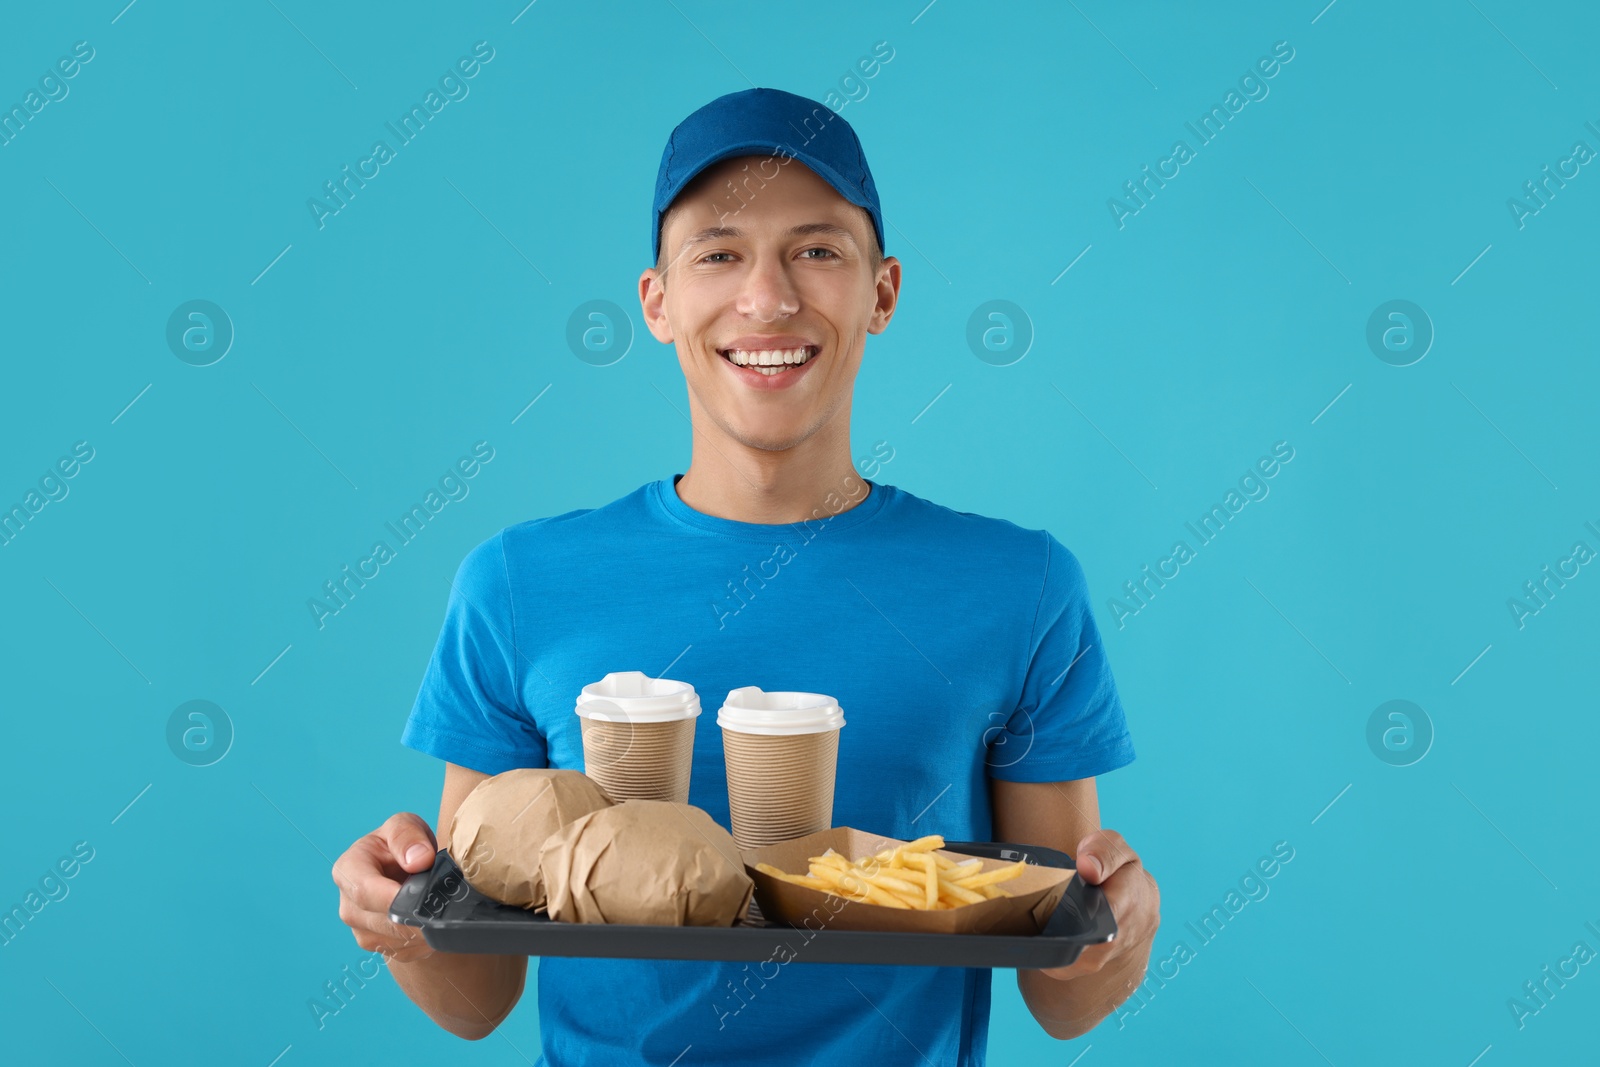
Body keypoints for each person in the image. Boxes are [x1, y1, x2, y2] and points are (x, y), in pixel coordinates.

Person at [333, 87, 1160, 1065]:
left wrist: (1119, 928)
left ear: (882, 292)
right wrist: (395, 915)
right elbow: (472, 992)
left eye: (816, 250)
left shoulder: (1018, 586)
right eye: (718, 253)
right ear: (657, 301)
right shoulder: (518, 583)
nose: (766, 298)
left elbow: (1063, 993)